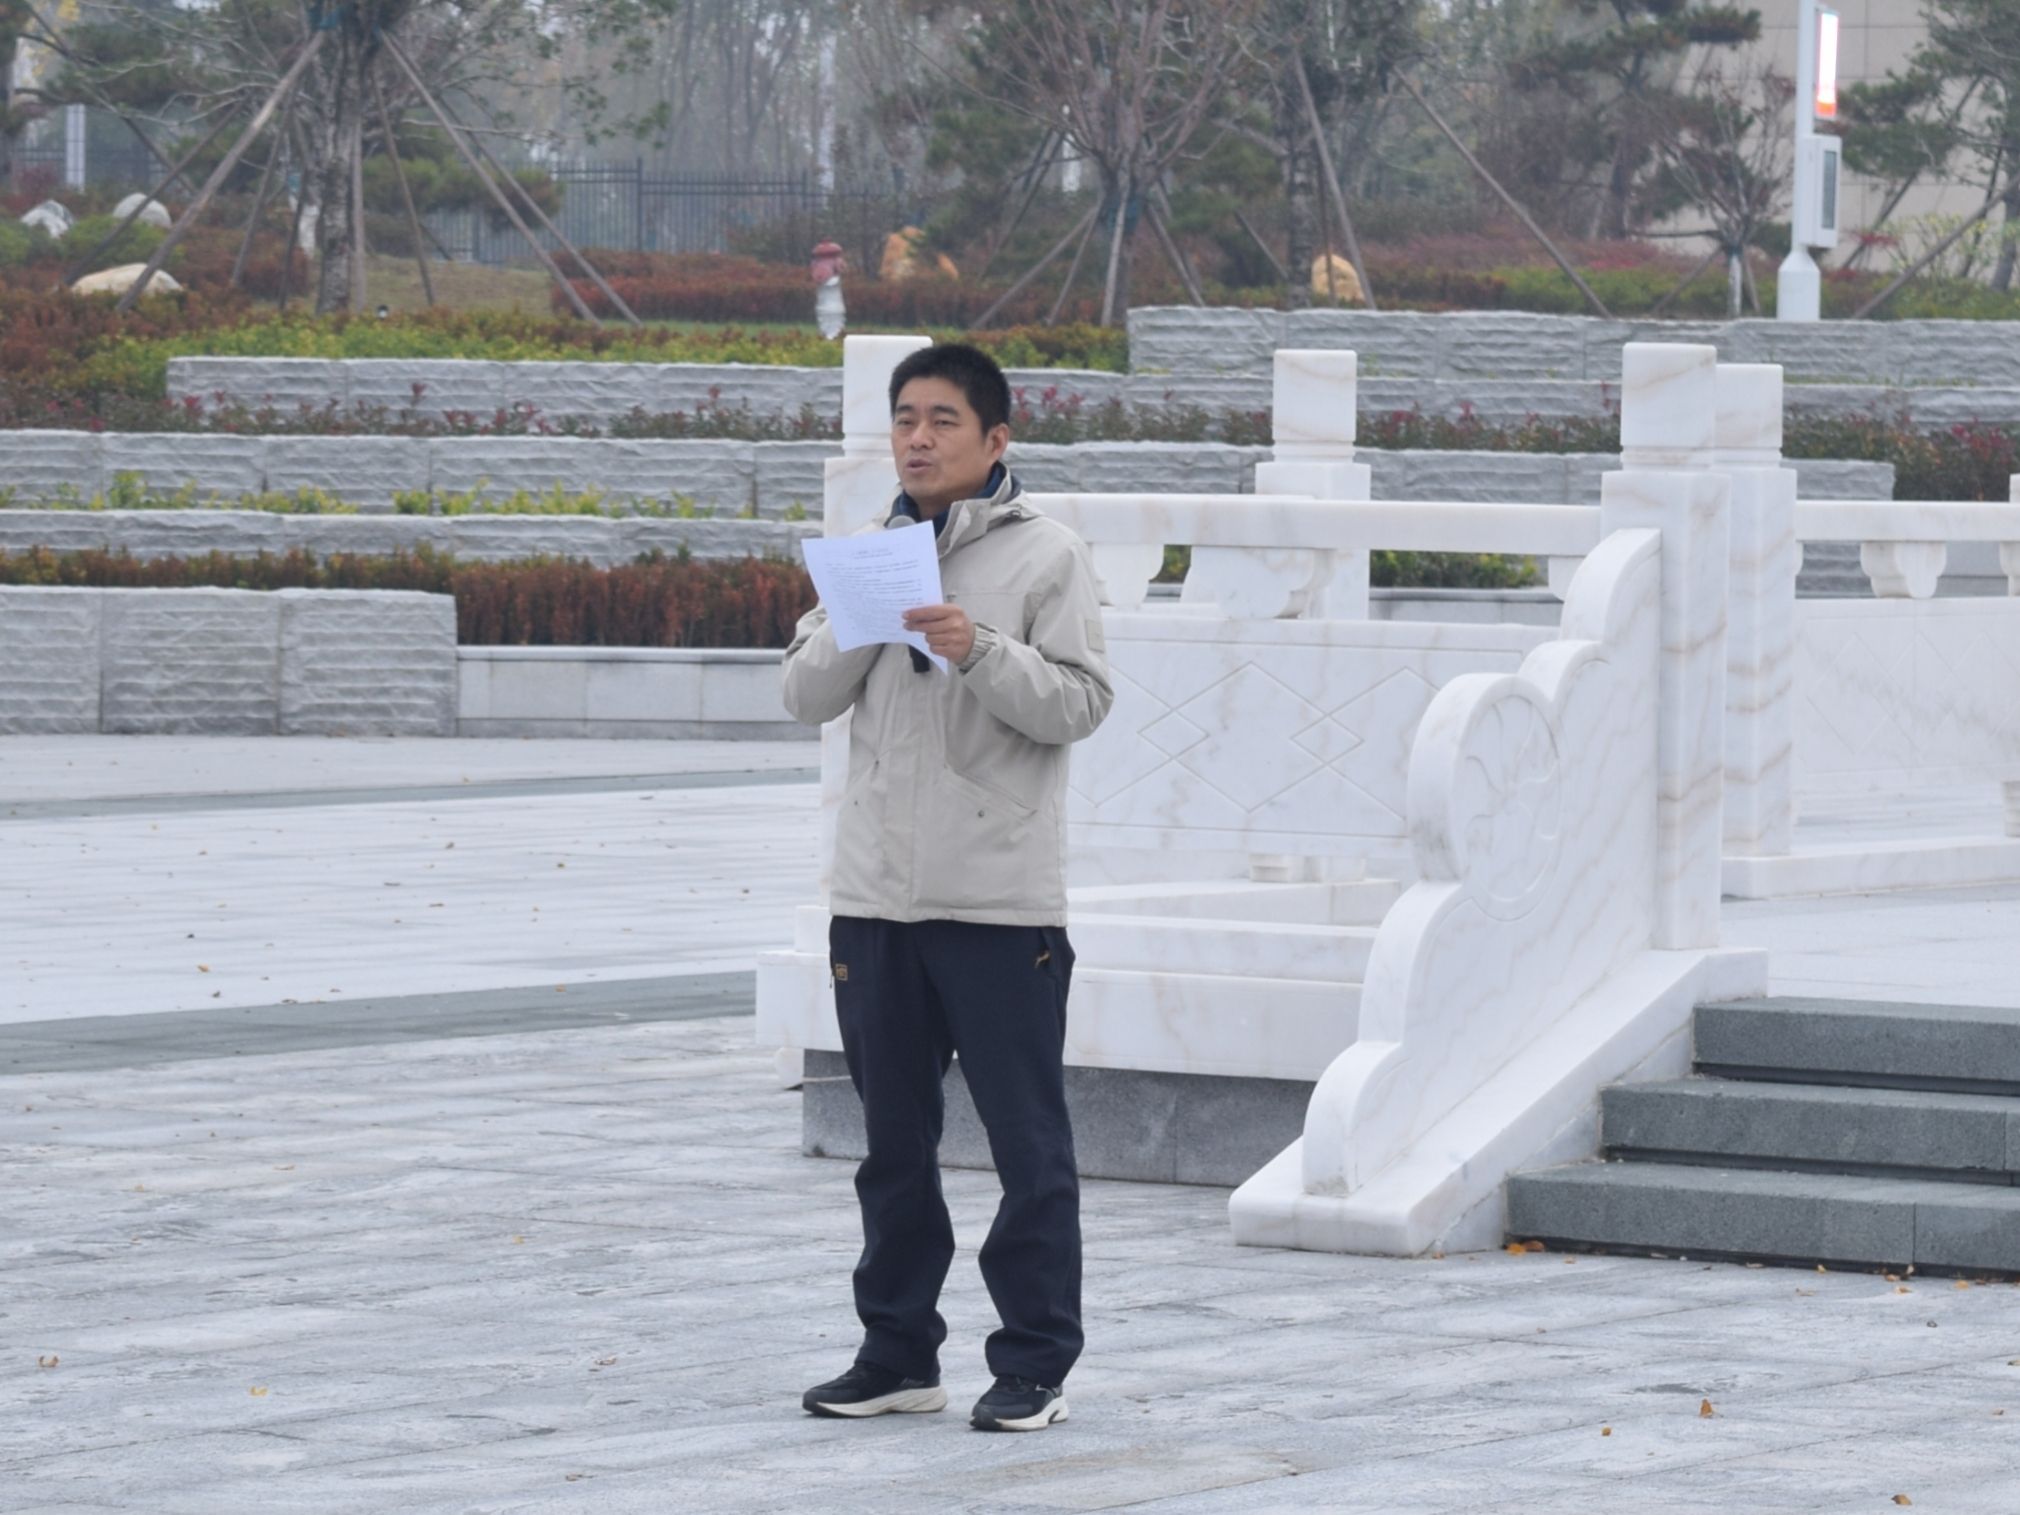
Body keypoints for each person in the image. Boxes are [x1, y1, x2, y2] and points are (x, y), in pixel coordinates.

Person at [781, 343, 1113, 1432]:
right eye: (905, 420)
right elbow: (803, 696)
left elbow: (1080, 704)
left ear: (995, 438)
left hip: (998, 903)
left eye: (942, 420)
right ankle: (895, 1355)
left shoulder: (1047, 554)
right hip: (875, 901)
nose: (917, 439)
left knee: (1028, 1147)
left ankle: (1033, 1365)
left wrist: (980, 648)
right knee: (891, 1149)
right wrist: (860, 616)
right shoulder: (867, 554)